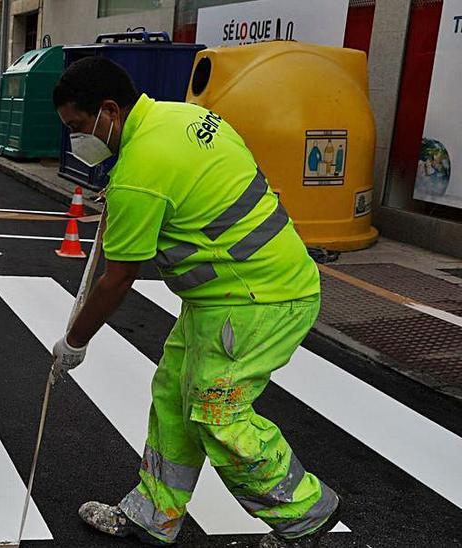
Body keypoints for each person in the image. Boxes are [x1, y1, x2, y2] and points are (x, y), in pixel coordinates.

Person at [48, 57, 341, 548]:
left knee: (218, 415)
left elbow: (118, 280)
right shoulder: (184, 117)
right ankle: (153, 514)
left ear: (108, 111)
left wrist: (74, 341)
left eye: (78, 127)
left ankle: (305, 516)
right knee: (173, 400)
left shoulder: (142, 170)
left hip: (256, 300)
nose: (76, 140)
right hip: (226, 297)